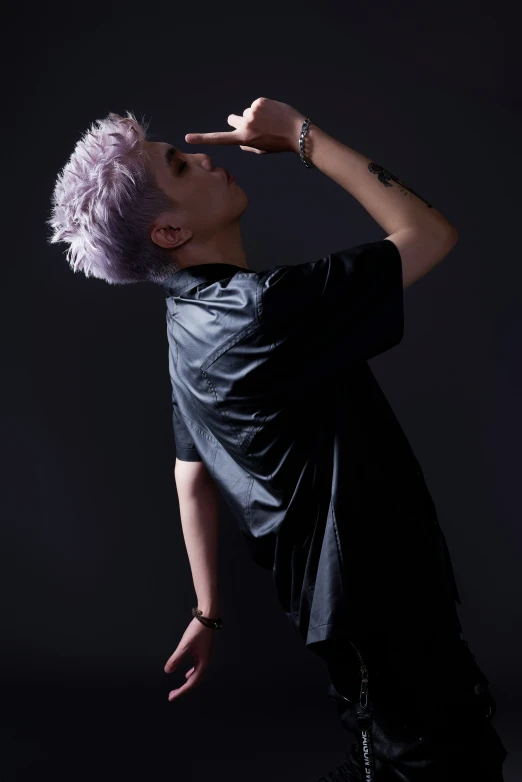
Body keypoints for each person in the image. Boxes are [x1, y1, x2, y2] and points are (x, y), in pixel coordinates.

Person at [47, 97, 508, 780]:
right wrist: (301, 136)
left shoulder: (188, 323)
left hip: (352, 605)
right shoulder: (264, 311)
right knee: (439, 761)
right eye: (180, 164)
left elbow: (189, 471)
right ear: (170, 230)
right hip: (380, 600)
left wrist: (208, 612)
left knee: (393, 753)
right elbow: (428, 233)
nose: (205, 158)